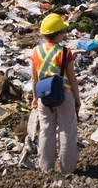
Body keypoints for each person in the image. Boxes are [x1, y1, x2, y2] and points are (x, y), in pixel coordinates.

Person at [29, 13, 81, 174]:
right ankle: (67, 170)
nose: (64, 35)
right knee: (67, 131)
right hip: (64, 95)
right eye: (63, 32)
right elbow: (72, 78)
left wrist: (35, 98)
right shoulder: (65, 53)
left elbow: (34, 78)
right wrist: (77, 99)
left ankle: (46, 169)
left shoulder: (35, 52)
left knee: (46, 131)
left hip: (44, 96)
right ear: (58, 34)